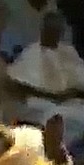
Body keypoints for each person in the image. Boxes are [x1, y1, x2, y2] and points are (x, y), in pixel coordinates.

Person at [7, 12, 84, 145]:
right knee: (58, 119)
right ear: (43, 30)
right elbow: (17, 83)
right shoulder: (31, 52)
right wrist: (53, 96)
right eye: (49, 31)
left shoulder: (68, 51)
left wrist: (73, 93)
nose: (52, 35)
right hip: (44, 102)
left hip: (72, 101)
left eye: (56, 31)